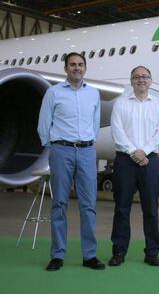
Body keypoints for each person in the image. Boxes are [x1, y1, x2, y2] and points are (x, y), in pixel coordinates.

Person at [38, 52, 104, 271]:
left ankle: (90, 255)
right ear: (65, 68)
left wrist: (88, 143)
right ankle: (57, 255)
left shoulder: (93, 94)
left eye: (81, 64)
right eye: (73, 64)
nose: (77, 68)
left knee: (88, 205)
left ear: (85, 68)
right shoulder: (53, 93)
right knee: (59, 204)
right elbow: (43, 124)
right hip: (61, 151)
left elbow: (95, 125)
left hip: (86, 152)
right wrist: (54, 147)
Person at [109, 66, 159, 267]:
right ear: (131, 81)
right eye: (137, 77)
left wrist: (144, 151)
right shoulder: (121, 104)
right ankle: (119, 251)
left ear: (150, 80)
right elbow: (117, 131)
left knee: (151, 209)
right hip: (125, 161)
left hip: (149, 161)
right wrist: (135, 152)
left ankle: (152, 252)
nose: (141, 79)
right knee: (122, 208)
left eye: (144, 77)